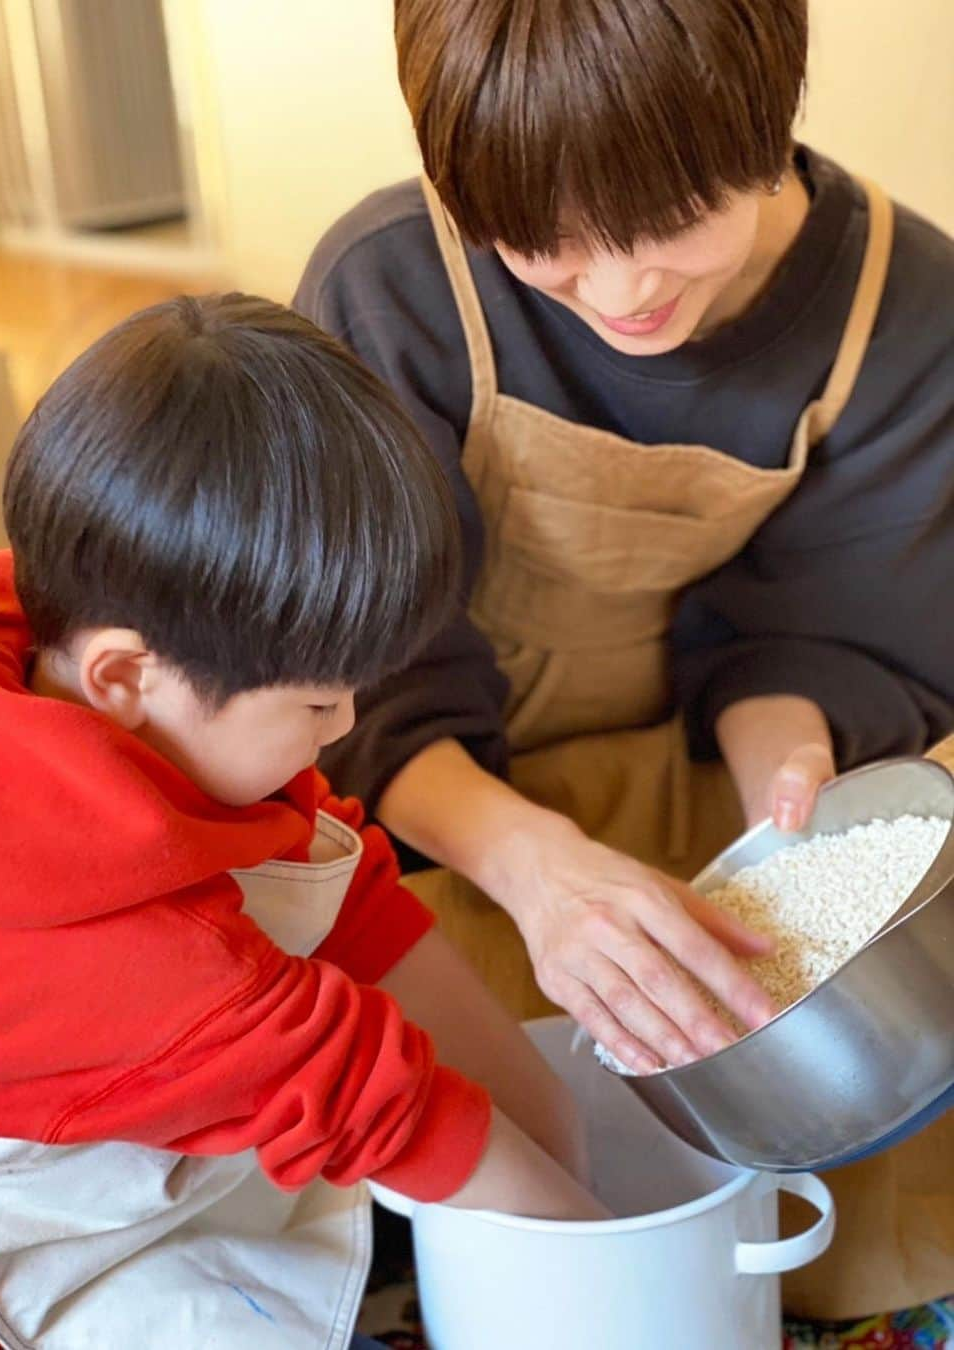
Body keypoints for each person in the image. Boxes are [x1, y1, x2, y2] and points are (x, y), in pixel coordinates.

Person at [294, 0, 954, 1320]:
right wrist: (537, 871)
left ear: (769, 116)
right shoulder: (389, 284)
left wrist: (797, 798)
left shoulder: (904, 299)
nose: (621, 291)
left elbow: (827, 637)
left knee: (863, 1207)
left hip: (696, 771)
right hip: (439, 807)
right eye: (545, 247)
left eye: (672, 223)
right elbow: (360, 673)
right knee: (452, 1139)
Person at [0, 294, 604, 1350]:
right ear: (127, 675)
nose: (346, 724)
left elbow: (350, 901)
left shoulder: (61, 624)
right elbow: (378, 1104)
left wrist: (562, 1133)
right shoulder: (142, 965)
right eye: (317, 704)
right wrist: (615, 1256)